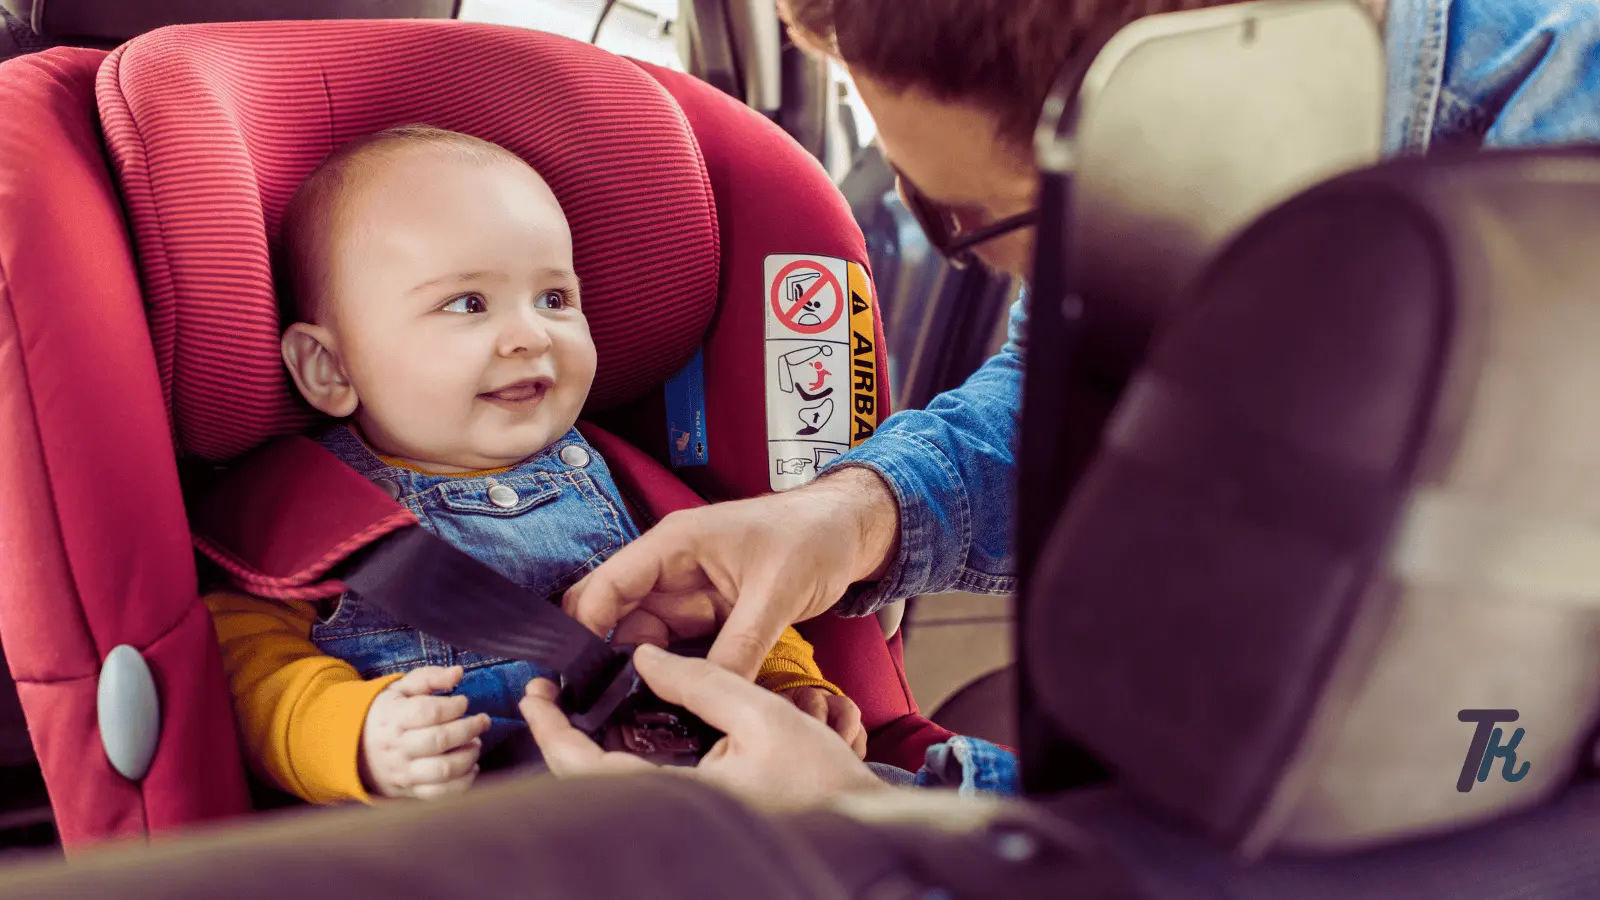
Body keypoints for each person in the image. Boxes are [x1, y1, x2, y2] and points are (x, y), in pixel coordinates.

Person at [548, 0, 1600, 797]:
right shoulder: (1168, 164)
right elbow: (1092, 370)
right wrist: (850, 515)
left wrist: (881, 832)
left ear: (1186, 101)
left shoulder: (1564, 179)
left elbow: (1471, 792)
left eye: (977, 217)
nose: (990, 270)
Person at [200, 125, 867, 805]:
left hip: (690, 800)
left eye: (554, 299)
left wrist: (788, 684)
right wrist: (361, 738)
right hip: (484, 837)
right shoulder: (305, 520)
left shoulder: (627, 482)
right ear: (330, 367)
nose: (530, 336)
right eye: (467, 304)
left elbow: (730, 595)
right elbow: (252, 672)